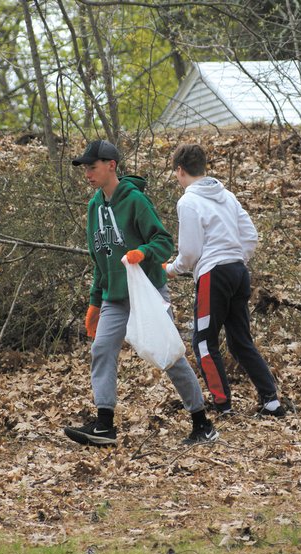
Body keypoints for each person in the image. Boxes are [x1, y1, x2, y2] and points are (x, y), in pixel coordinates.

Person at [63, 140, 218, 446]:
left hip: (147, 291)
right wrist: (95, 302)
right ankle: (104, 425)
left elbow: (162, 240)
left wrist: (143, 252)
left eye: (92, 168)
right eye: (85, 169)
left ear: (111, 166)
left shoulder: (135, 200)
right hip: (114, 298)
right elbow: (100, 258)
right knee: (102, 349)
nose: (88, 175)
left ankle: (202, 422)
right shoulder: (94, 206)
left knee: (168, 354)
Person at [166, 143, 285, 417]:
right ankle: (271, 400)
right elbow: (250, 235)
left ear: (180, 171)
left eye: (175, 173)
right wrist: (235, 257)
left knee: (204, 342)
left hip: (213, 275)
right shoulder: (227, 195)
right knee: (240, 340)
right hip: (238, 272)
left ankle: (223, 405)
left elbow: (191, 252)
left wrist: (172, 269)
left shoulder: (188, 201)